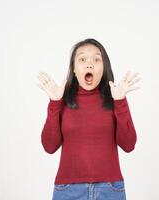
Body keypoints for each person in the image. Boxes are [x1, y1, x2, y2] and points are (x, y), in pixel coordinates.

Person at [37, 38, 141, 200]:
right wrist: (55, 103)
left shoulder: (115, 98)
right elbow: (49, 146)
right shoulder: (62, 100)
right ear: (74, 69)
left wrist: (120, 101)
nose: (89, 64)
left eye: (96, 59)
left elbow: (128, 145)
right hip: (68, 190)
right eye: (82, 59)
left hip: (110, 189)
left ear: (103, 68)